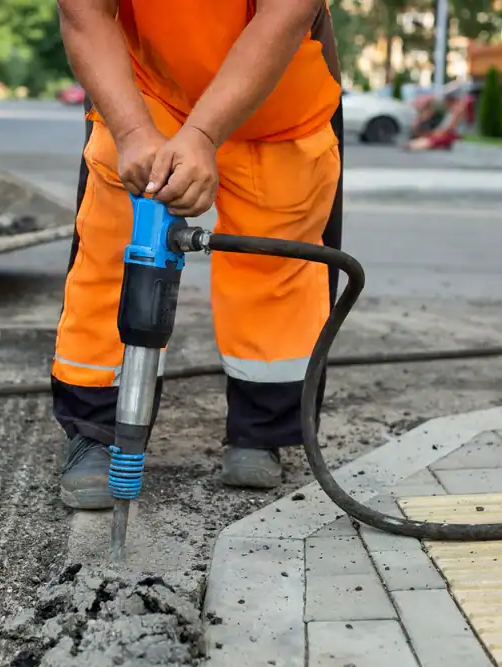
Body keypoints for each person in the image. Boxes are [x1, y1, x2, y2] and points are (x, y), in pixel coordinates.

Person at [52, 0, 345, 509]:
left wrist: (204, 134)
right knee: (115, 247)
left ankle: (261, 431)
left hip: (276, 98)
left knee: (275, 261)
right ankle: (97, 429)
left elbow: (285, 13)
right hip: (145, 93)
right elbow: (84, 13)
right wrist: (132, 133)